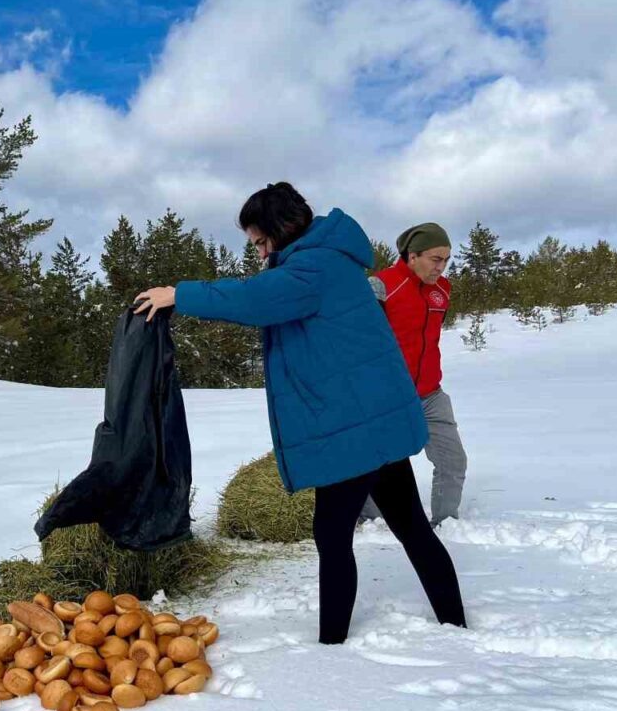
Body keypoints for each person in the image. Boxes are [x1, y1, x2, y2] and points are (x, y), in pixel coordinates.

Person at [134, 183, 466, 644]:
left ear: (277, 230)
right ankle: (455, 624)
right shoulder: (328, 258)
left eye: (258, 241)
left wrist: (178, 294)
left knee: (332, 536)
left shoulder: (312, 268)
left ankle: (331, 647)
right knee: (410, 526)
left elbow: (253, 300)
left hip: (351, 427)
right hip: (376, 419)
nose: (257, 251)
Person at [359, 224, 467, 527]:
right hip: (388, 397)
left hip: (431, 393)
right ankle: (371, 521)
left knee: (452, 459)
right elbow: (360, 343)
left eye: (446, 259)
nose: (441, 267)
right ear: (412, 255)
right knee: (377, 462)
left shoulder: (442, 290)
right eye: (435, 259)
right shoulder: (380, 286)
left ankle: (446, 524)